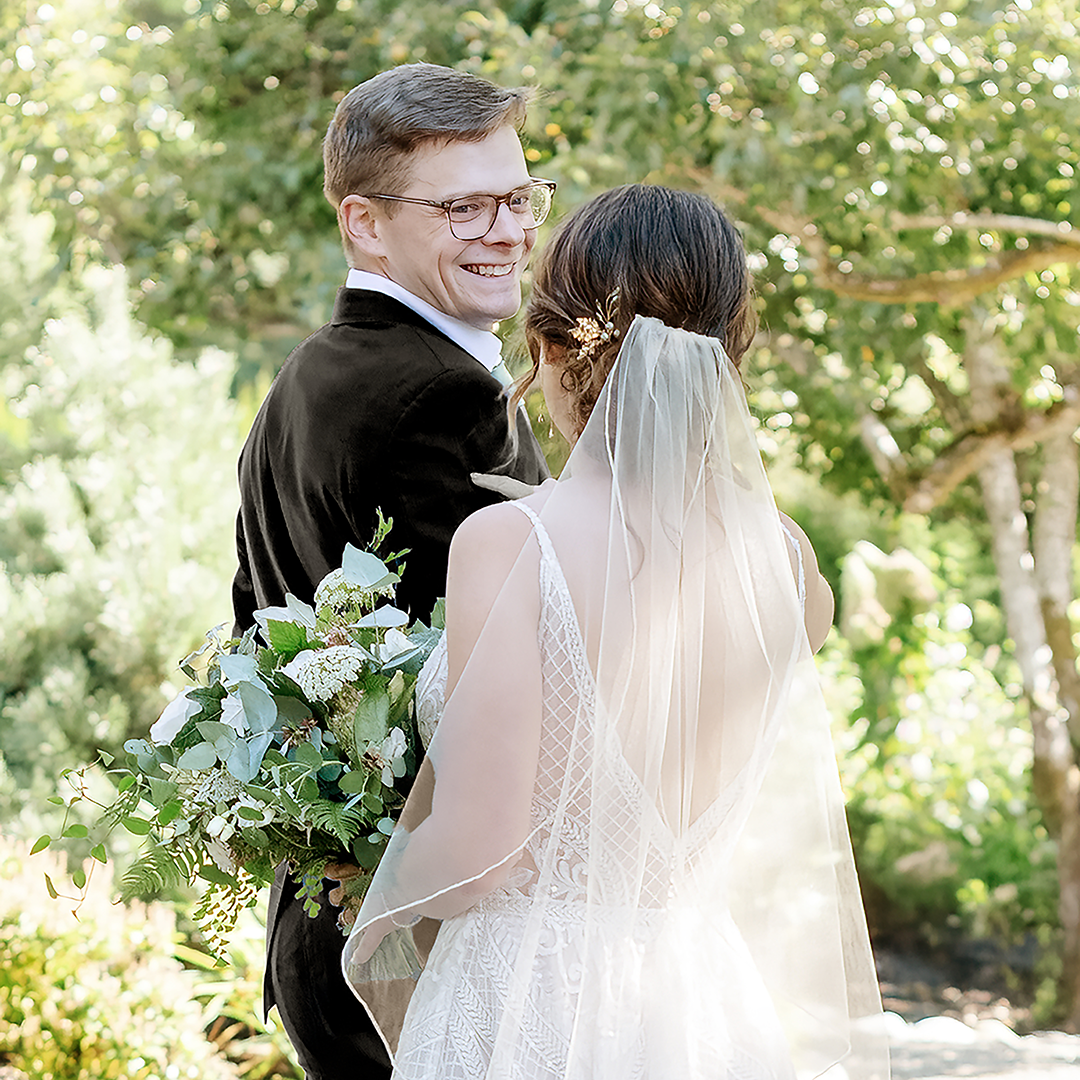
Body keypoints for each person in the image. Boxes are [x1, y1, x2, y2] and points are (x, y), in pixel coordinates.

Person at [341, 184, 891, 1079]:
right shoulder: (787, 568)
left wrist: (376, 890)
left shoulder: (511, 543)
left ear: (553, 346)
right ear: (726, 351)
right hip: (700, 1004)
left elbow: (483, 847)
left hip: (531, 1003)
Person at [230, 63, 550, 1079]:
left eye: (519, 196)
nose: (507, 230)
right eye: (465, 207)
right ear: (366, 224)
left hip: (327, 932)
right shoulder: (442, 399)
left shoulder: (306, 377)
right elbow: (509, 681)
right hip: (420, 954)